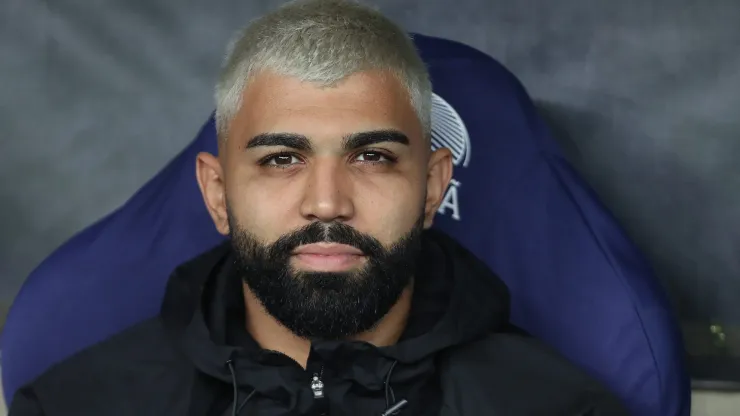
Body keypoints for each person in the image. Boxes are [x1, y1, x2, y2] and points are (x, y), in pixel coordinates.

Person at [9, 0, 630, 414]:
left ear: (433, 187)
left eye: (373, 157)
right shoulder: (77, 404)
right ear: (218, 194)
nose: (328, 202)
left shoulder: (560, 408)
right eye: (281, 159)